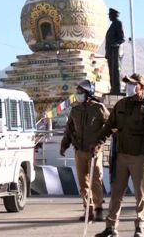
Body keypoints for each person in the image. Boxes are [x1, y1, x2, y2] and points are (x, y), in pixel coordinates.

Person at [94, 73, 144, 237]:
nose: (128, 87)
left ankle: (140, 227)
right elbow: (109, 126)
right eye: (127, 84)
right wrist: (98, 142)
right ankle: (111, 227)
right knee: (116, 192)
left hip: (139, 156)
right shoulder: (121, 105)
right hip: (121, 155)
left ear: (141, 87)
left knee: (140, 193)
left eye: (132, 84)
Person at [60, 80, 109, 222]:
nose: (78, 94)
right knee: (83, 183)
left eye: (80, 91)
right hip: (79, 151)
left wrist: (100, 143)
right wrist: (64, 146)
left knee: (95, 181)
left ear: (88, 93)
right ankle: (89, 210)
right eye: (78, 91)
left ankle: (99, 209)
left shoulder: (99, 108)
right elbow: (69, 130)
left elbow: (110, 125)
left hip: (95, 152)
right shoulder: (75, 110)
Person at [105, 8, 125, 95]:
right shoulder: (113, 25)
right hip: (110, 52)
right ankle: (113, 89)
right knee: (111, 71)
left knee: (115, 71)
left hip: (115, 52)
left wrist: (116, 44)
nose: (109, 16)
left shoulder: (118, 23)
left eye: (110, 15)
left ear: (113, 15)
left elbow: (122, 38)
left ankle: (116, 89)